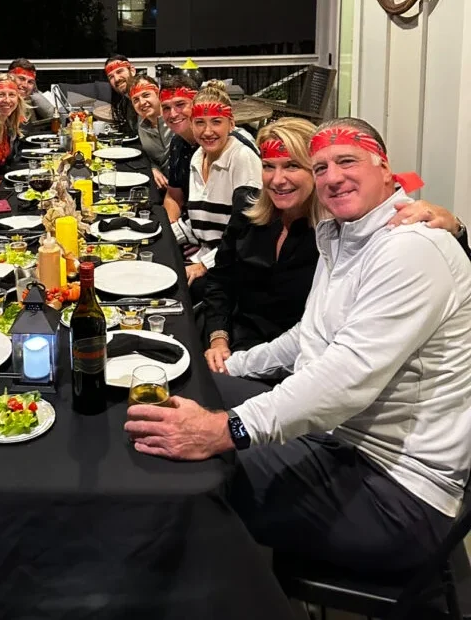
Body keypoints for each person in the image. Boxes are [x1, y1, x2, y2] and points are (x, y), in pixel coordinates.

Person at [125, 117, 471, 574]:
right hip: (336, 439)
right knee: (185, 388)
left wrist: (226, 429)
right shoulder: (343, 235)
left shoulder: (410, 249)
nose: (331, 177)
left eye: (346, 161)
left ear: (386, 169)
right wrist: (231, 368)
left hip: (394, 491)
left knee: (182, 472)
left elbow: (346, 379)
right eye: (321, 165)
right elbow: (308, 337)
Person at [203, 118, 471, 374]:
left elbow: (340, 363)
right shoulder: (248, 209)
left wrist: (455, 229)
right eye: (268, 166)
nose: (277, 179)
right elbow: (220, 281)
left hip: (299, 371)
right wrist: (219, 339)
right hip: (241, 350)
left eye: (293, 166)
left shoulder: (342, 233)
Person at [170, 84, 262, 291]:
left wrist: (204, 265)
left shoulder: (242, 158)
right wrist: (163, 236)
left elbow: (247, 230)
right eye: (200, 122)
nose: (207, 131)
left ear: (231, 124)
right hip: (201, 255)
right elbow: (198, 221)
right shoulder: (197, 157)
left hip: (230, 266)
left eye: (216, 122)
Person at [161, 76, 257, 225]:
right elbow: (174, 196)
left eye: (180, 104)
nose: (173, 114)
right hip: (195, 227)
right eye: (166, 108)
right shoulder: (180, 144)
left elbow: (250, 218)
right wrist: (171, 231)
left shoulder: (240, 149)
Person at [128, 75, 172, 189]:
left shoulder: (176, 118)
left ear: (158, 94)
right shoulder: (141, 123)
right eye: (135, 100)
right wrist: (152, 168)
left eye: (146, 95)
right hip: (164, 187)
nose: (142, 102)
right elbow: (150, 157)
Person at [8, 58, 55, 122]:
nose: (25, 85)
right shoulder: (0, 102)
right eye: (21, 78)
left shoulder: (33, 100)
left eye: (30, 82)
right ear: (9, 77)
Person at [104, 55, 138, 135]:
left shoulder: (148, 96)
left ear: (132, 71)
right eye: (111, 77)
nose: (116, 79)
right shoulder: (125, 101)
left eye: (119, 71)